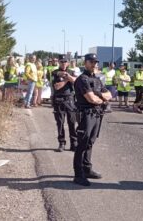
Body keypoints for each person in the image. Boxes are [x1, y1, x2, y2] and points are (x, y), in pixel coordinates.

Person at [73, 53, 112, 186]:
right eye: (91, 62)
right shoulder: (82, 79)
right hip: (86, 114)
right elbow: (91, 99)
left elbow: (110, 94)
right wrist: (101, 98)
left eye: (95, 62)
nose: (94, 64)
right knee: (82, 143)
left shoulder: (97, 79)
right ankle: (78, 175)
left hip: (96, 114)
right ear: (86, 63)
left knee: (90, 142)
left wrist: (99, 95)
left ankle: (87, 169)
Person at [52, 54, 77, 152]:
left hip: (69, 99)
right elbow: (57, 86)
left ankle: (74, 143)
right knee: (60, 123)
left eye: (65, 61)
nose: (63, 63)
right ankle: (61, 143)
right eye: (61, 62)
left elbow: (75, 80)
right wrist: (67, 79)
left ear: (68, 62)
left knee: (72, 122)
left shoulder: (71, 72)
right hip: (58, 99)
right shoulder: (54, 72)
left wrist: (69, 77)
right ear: (58, 62)